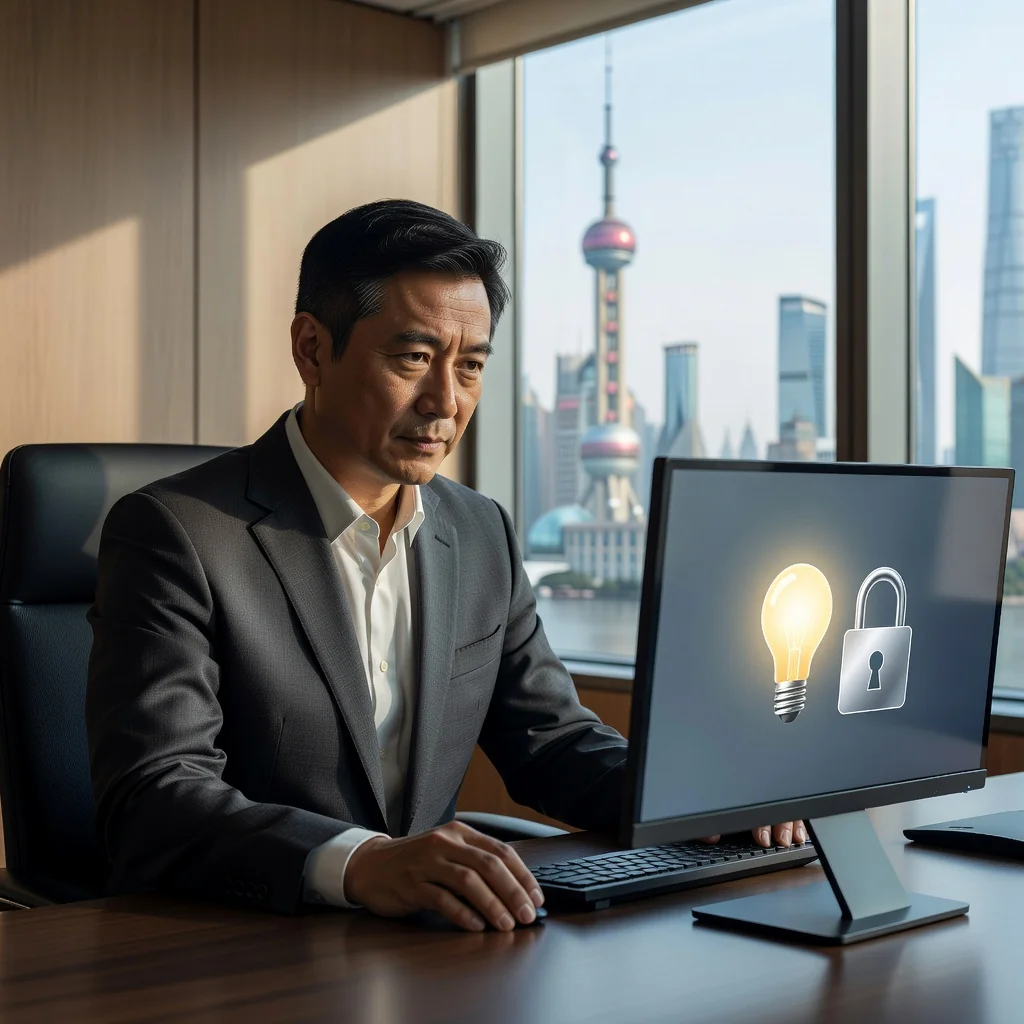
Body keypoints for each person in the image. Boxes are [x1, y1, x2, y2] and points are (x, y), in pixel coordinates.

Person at [86, 199, 803, 932]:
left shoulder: (478, 529)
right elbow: (154, 793)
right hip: (242, 942)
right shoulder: (179, 533)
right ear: (311, 350)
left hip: (435, 945)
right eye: (414, 358)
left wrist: (704, 798)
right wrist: (361, 863)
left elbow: (551, 743)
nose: (446, 402)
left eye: (470, 366)